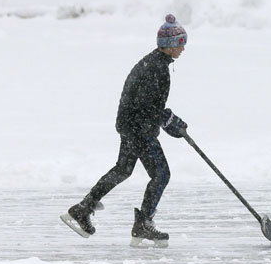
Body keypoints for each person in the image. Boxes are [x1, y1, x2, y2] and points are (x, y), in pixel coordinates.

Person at [60, 14, 189, 247]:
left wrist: (167, 118)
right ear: (169, 45)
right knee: (161, 174)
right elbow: (146, 104)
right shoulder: (156, 68)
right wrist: (168, 120)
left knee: (123, 169)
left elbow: (149, 104)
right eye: (180, 43)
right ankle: (143, 224)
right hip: (139, 129)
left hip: (131, 125)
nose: (183, 48)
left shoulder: (154, 63)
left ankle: (83, 209)